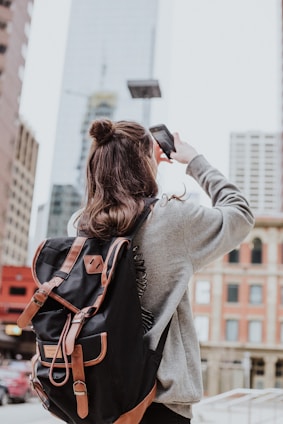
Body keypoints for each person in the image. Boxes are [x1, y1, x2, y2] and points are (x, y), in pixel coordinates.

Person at [68, 118, 255, 423]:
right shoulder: (173, 220)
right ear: (143, 161)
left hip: (96, 394)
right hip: (161, 402)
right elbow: (241, 213)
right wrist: (193, 160)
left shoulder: (79, 226)